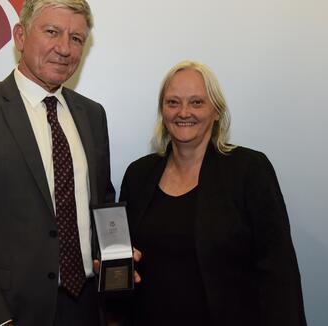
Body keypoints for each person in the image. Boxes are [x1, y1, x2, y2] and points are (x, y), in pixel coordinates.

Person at [0, 1, 115, 326]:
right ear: (20, 36)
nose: (64, 48)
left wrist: (116, 255)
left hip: (87, 308)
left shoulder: (92, 114)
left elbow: (102, 202)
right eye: (52, 32)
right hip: (10, 311)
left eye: (76, 38)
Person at [119, 60, 307, 325]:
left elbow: (279, 272)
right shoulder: (138, 175)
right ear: (163, 111)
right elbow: (125, 261)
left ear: (217, 111)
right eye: (173, 102)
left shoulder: (249, 170)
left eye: (196, 102)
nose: (184, 112)